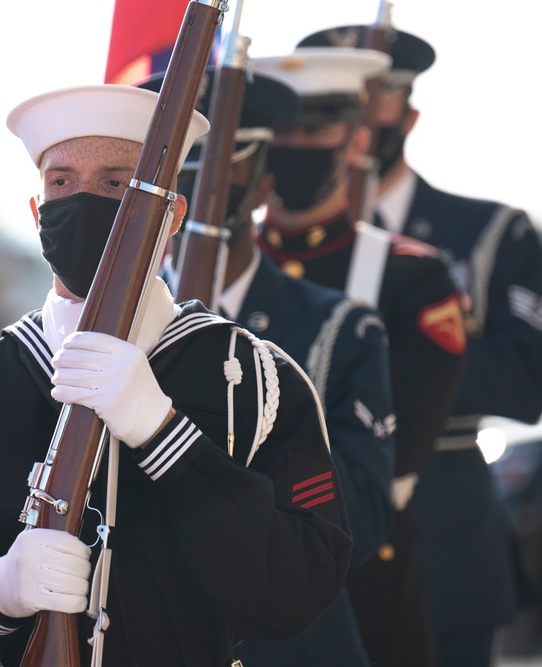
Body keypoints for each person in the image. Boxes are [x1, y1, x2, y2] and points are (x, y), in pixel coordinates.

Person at [0, 84, 353, 667]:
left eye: (117, 184)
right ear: (36, 210)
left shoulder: (256, 383)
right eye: (61, 182)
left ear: (172, 214)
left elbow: (298, 591)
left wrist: (166, 437)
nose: (82, 201)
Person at [298, 24, 542, 666]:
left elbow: (527, 379)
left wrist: (386, 360)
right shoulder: (275, 251)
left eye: (371, 101)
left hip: (446, 537)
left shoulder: (490, 232)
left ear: (407, 113)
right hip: (313, 532)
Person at [142, 66, 396, 666]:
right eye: (184, 172)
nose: (198, 191)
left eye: (219, 168)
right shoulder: (108, 329)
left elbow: (360, 512)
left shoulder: (341, 330)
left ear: (260, 187)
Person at [252, 47, 468, 667]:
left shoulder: (409, 278)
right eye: (281, 132)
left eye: (316, 130)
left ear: (355, 140)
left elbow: (392, 460)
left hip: (361, 577)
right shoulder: (205, 272)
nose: (296, 145)